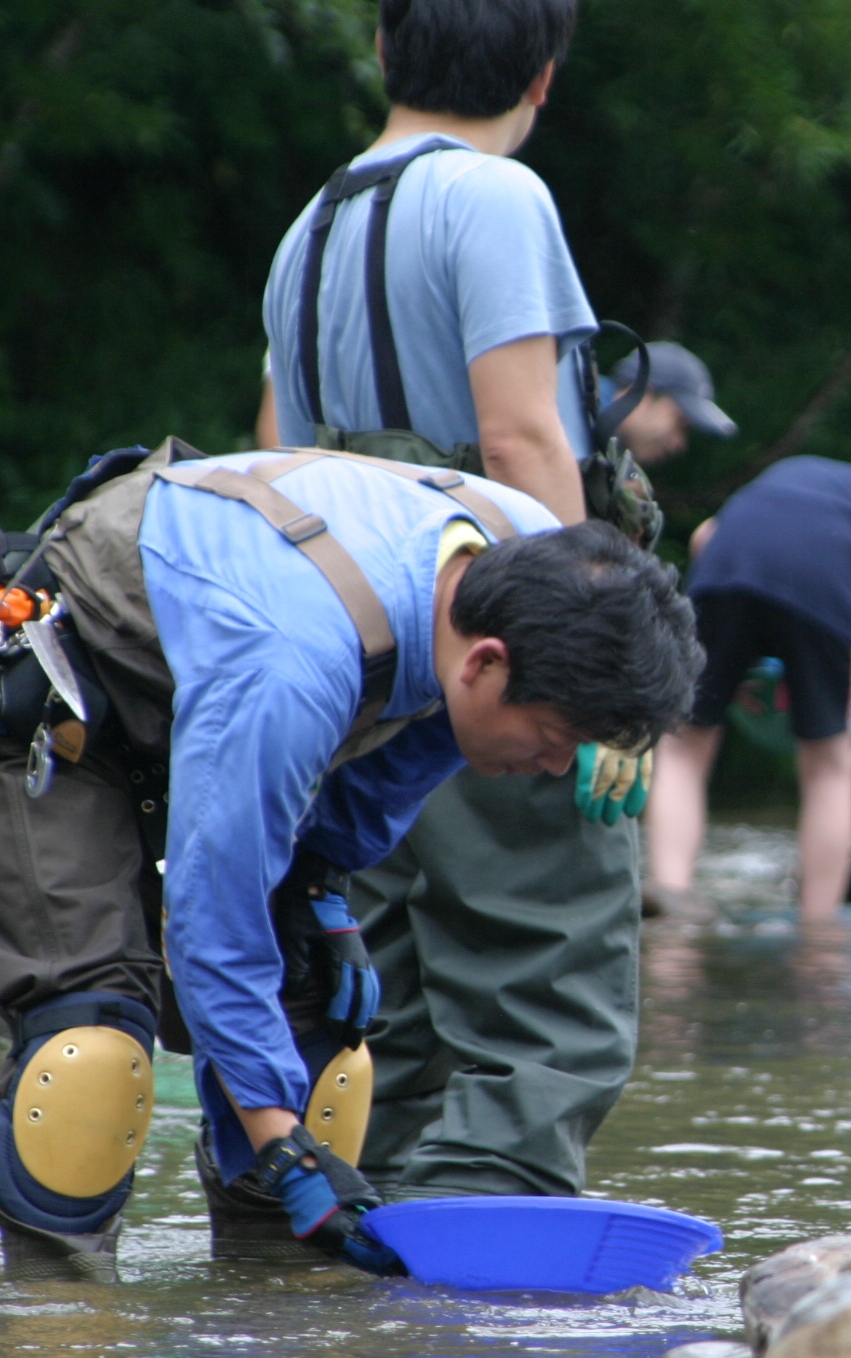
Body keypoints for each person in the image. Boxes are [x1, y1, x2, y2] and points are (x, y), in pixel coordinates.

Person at [0, 441, 699, 1279]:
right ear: (487, 664)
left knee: (325, 1035)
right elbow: (212, 923)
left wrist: (321, 885)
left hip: (230, 697)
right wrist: (284, 1151)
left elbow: (417, 749)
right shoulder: (293, 666)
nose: (554, 769)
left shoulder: (529, 568)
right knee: (86, 1058)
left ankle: (279, 1311)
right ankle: (58, 1315)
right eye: (553, 743)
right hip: (72, 703)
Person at [262, 0, 657, 1208]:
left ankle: (357, 1248)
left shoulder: (309, 223)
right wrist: (588, 670)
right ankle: (490, 1248)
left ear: (384, 53)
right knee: (545, 955)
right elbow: (521, 430)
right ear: (541, 79)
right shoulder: (496, 197)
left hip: (346, 644)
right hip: (491, 630)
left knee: (373, 979)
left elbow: (271, 448)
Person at [643, 455, 851, 917]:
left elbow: (705, 537)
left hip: (725, 571)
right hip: (825, 591)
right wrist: (833, 691)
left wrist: (743, 664)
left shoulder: (795, 468)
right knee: (828, 766)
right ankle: (819, 925)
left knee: (685, 745)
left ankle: (670, 893)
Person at [608, 341, 737, 467]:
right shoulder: (588, 438)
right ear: (641, 394)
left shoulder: (600, 447)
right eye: (680, 424)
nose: (678, 445)